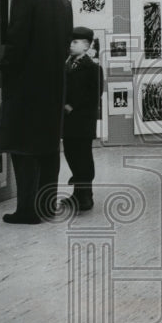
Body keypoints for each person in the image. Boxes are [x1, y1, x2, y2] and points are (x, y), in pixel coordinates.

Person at [0, 0, 73, 224]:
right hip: (53, 86)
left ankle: (27, 210)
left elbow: (16, 42)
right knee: (48, 148)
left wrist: (5, 69)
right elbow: (66, 46)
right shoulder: (64, 3)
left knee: (23, 148)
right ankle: (46, 207)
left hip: (26, 86)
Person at [62, 26, 103, 212]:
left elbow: (93, 96)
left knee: (83, 157)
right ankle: (78, 194)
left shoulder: (93, 68)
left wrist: (72, 106)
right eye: (70, 41)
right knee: (71, 154)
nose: (71, 45)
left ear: (86, 45)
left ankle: (86, 196)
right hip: (69, 122)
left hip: (82, 121)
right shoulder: (67, 64)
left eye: (75, 42)